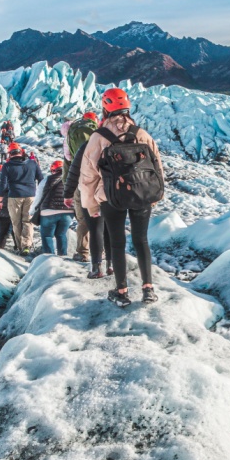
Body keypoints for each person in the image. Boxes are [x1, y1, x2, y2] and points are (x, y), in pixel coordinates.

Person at [79, 87, 164, 306]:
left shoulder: (99, 137)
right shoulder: (141, 133)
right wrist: (154, 194)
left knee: (117, 243)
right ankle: (148, 290)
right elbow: (156, 166)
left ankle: (122, 291)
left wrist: (90, 206)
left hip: (110, 196)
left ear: (105, 109)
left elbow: (87, 175)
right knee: (141, 240)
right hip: (141, 194)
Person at [64, 136, 112, 276]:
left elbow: (74, 170)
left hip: (90, 192)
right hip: (111, 192)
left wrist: (68, 193)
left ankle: (96, 268)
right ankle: (111, 265)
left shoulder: (87, 145)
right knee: (110, 228)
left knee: (95, 227)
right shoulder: (118, 141)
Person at [62, 111, 100, 260]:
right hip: (98, 180)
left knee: (83, 219)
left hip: (79, 182)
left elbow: (68, 164)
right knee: (101, 216)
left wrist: (67, 189)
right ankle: (102, 252)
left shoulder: (71, 137)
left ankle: (83, 252)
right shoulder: (100, 134)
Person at [0, 142, 43, 255]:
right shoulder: (32, 163)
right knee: (28, 221)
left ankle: (19, 246)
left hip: (14, 196)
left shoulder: (7, 166)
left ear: (9, 154)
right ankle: (26, 246)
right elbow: (41, 180)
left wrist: (0, 200)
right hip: (31, 195)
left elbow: (3, 185)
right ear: (21, 151)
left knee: (16, 222)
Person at [33, 160, 75, 255]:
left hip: (48, 211)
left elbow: (38, 196)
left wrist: (32, 211)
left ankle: (49, 258)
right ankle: (63, 257)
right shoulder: (71, 179)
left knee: (47, 235)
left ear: (53, 170)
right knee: (61, 234)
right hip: (67, 211)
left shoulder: (46, 180)